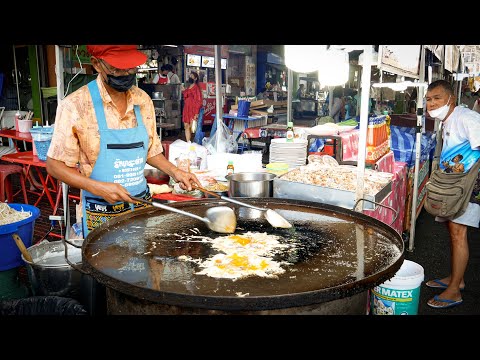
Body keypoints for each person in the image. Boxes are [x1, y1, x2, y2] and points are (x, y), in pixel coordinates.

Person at [46, 45, 199, 238]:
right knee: (104, 266)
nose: (126, 73)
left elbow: (151, 151)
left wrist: (175, 171)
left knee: (142, 263)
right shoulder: (75, 106)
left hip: (140, 206)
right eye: (117, 68)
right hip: (100, 211)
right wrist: (98, 187)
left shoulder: (142, 100)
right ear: (97, 64)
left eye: (130, 67)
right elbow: (54, 166)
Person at [424, 79, 480, 309]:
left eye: (437, 98)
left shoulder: (467, 118)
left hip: (466, 188)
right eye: (428, 99)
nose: (431, 103)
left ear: (451, 99)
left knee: (458, 234)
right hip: (452, 186)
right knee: (452, 230)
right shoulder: (448, 120)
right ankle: (457, 278)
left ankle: (455, 290)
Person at [181, 71, 203, 143]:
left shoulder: (196, 88)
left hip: (193, 109)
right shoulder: (188, 87)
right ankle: (188, 142)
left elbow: (198, 101)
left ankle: (193, 141)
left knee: (192, 127)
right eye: (190, 76)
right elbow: (185, 96)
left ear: (195, 78)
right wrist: (183, 90)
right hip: (186, 108)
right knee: (186, 126)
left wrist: (196, 113)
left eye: (192, 76)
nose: (190, 77)